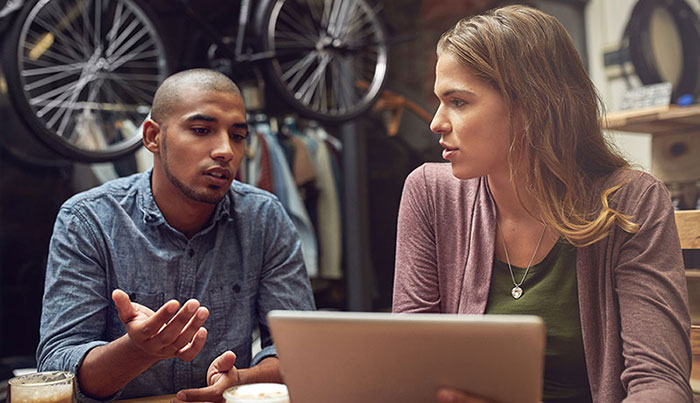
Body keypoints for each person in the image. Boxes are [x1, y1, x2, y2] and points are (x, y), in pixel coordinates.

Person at [392, 5, 692, 403]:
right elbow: (412, 363)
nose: (436, 122)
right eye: (439, 101)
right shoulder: (430, 194)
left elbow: (659, 384)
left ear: (530, 105)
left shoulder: (633, 201)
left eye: (459, 102)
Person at [36, 68, 316, 402]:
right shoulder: (88, 220)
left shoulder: (264, 218)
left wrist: (240, 379)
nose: (226, 150)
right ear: (153, 137)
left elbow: (300, 356)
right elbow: (56, 369)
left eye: (238, 136)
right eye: (202, 130)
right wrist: (137, 351)